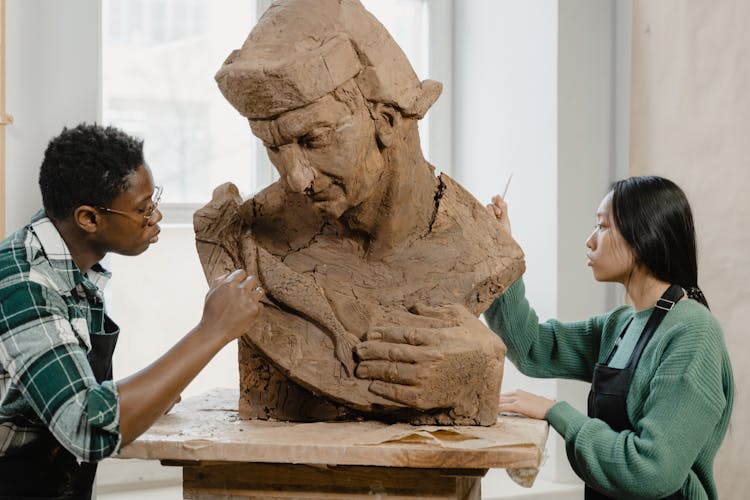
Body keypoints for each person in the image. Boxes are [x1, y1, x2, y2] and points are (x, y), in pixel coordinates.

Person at [195, 0, 521, 425]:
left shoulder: (485, 255)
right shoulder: (241, 238)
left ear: (385, 120)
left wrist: (479, 374)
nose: (295, 178)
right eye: (273, 147)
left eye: (313, 139)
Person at [0, 123, 261, 499]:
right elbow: (86, 428)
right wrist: (213, 330)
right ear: (89, 218)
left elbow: (71, 383)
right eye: (141, 209)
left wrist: (153, 393)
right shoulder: (27, 286)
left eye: (153, 201)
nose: (155, 216)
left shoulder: (73, 263)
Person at [479, 176, 733, 499]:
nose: (590, 240)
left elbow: (650, 470)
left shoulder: (693, 334)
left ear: (642, 236)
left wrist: (555, 411)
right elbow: (532, 347)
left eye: (602, 226)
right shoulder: (619, 325)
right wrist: (502, 253)